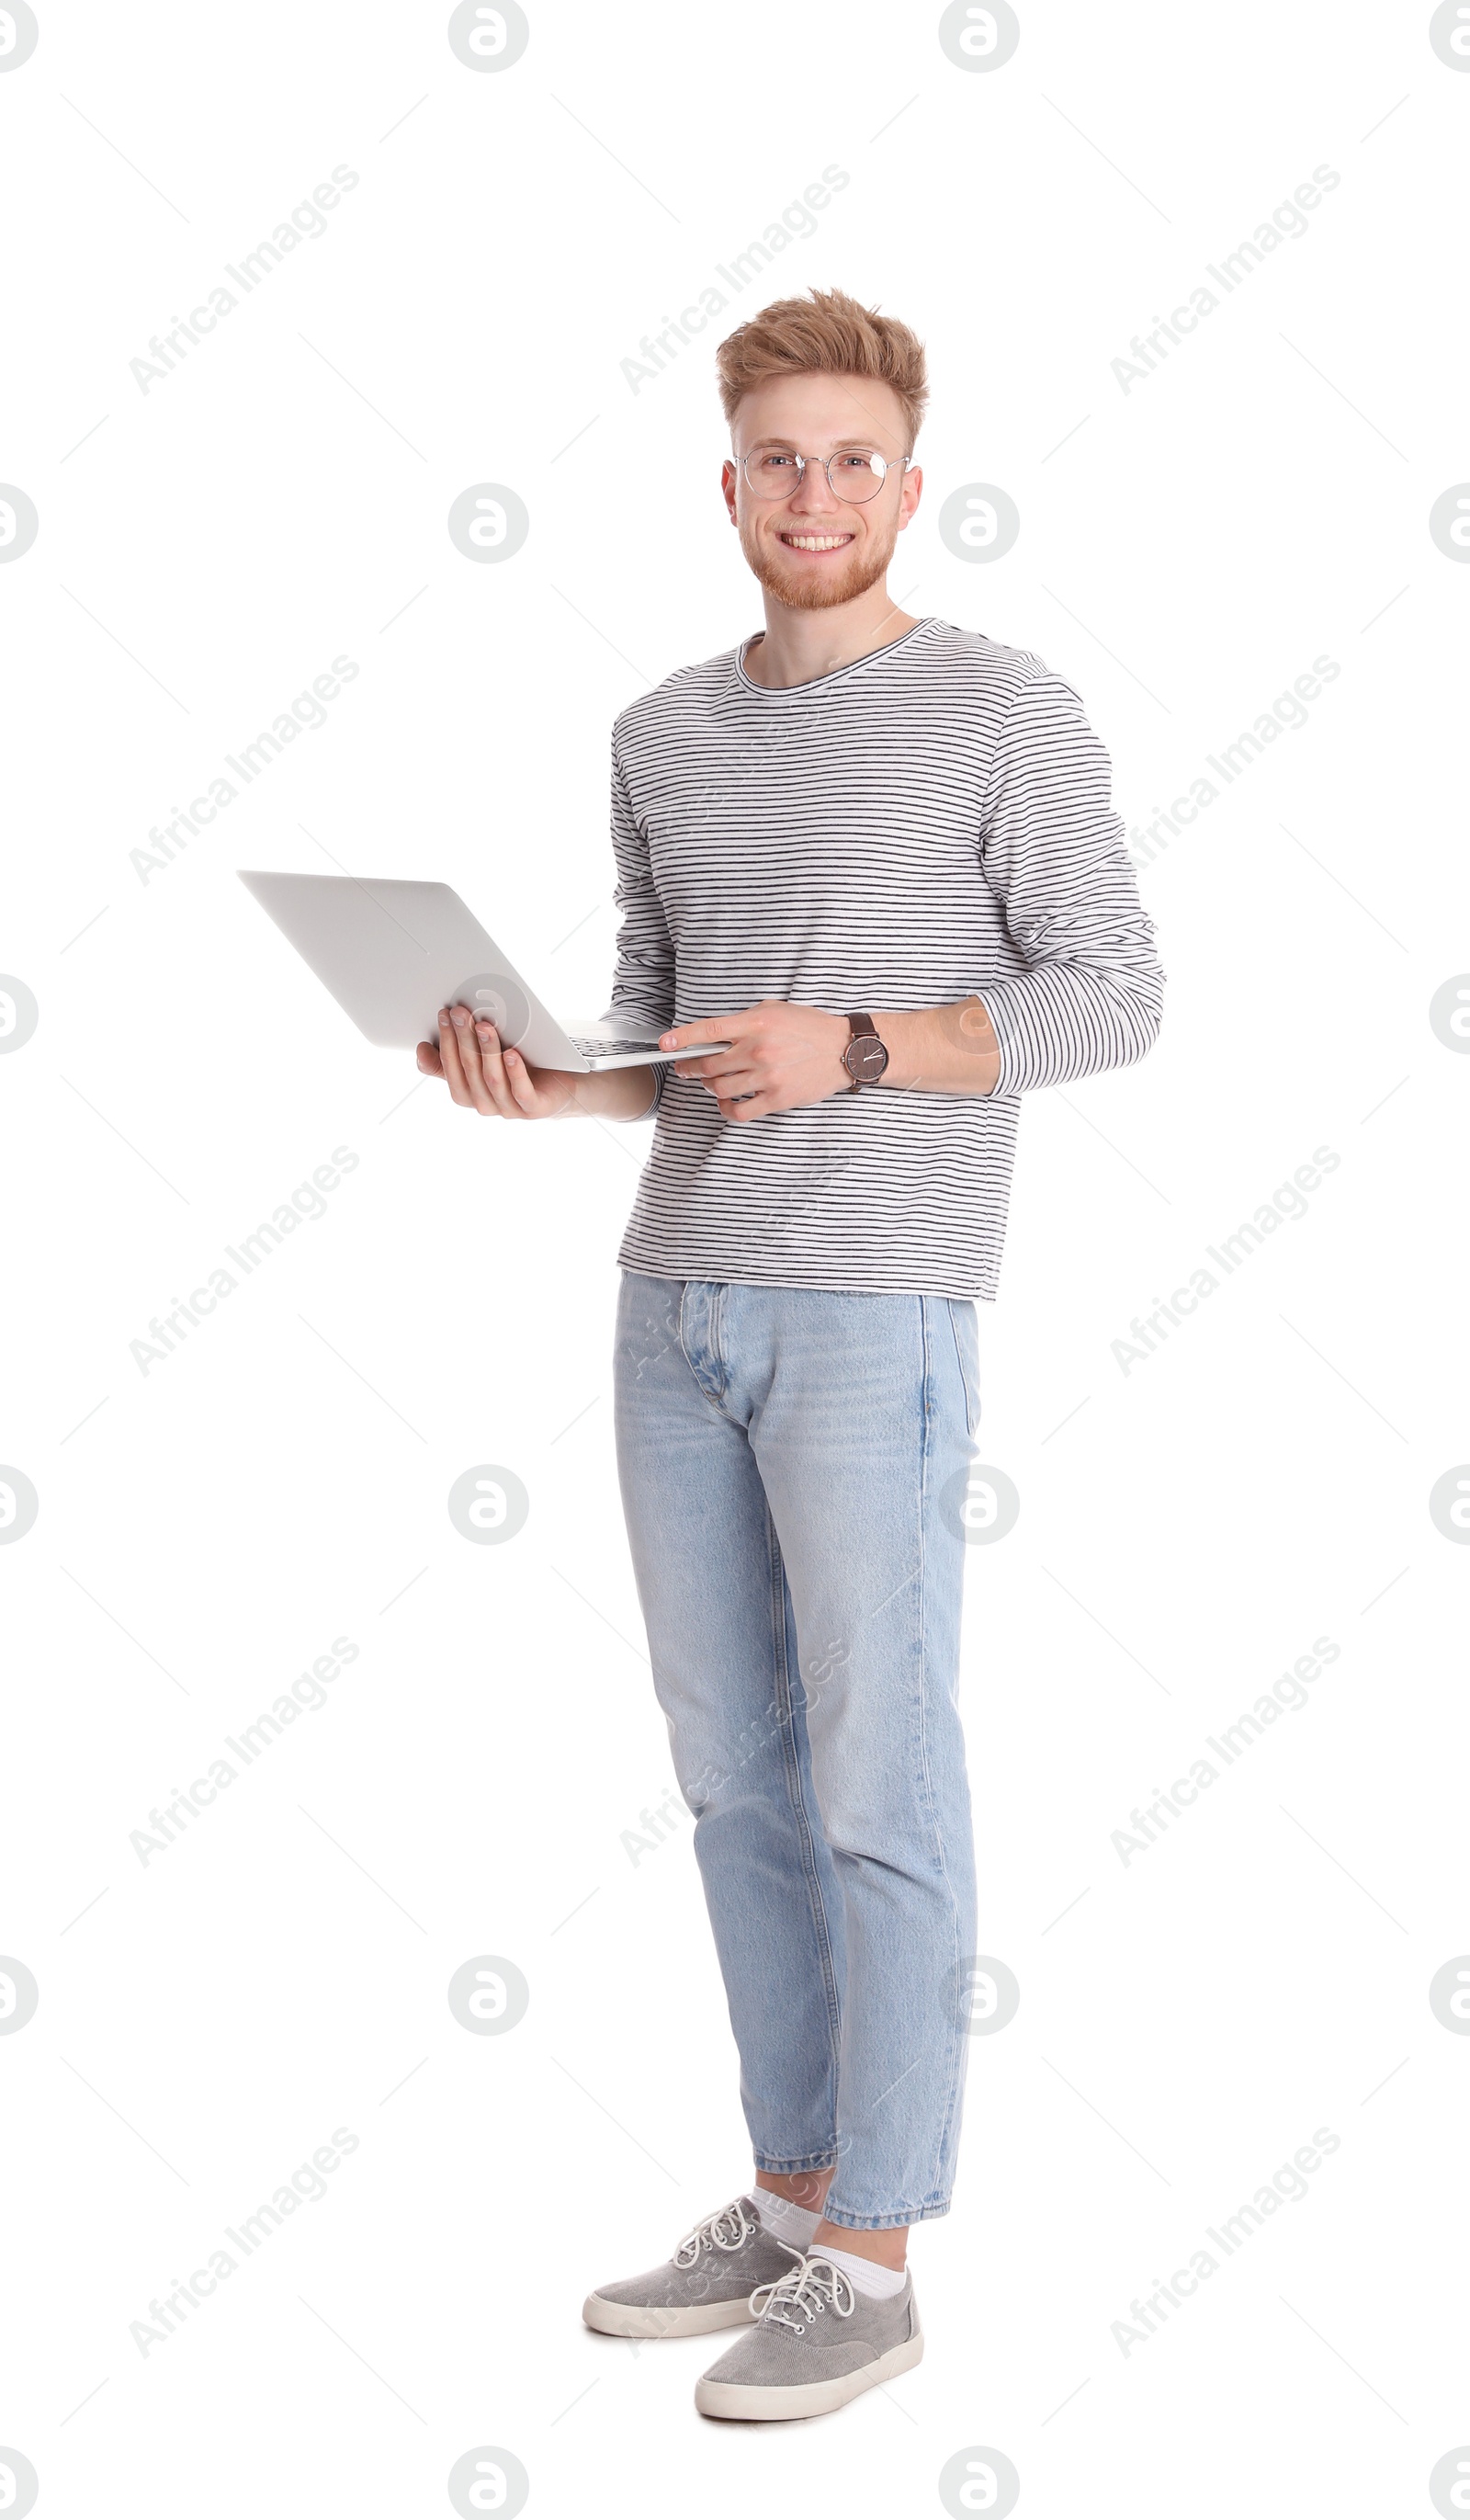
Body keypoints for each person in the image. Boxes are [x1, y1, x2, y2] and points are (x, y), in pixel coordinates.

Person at [419, 287, 1164, 2423]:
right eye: (776, 458)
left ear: (909, 489)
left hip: (873, 1314)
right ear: (725, 484)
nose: (812, 494)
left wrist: (849, 1044)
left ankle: (877, 2252)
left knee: (876, 1781)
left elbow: (1111, 995)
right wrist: (546, 1082)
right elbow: (675, 1034)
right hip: (675, 1307)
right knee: (732, 1776)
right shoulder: (661, 730)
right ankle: (784, 2185)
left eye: (853, 459)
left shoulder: (998, 712)